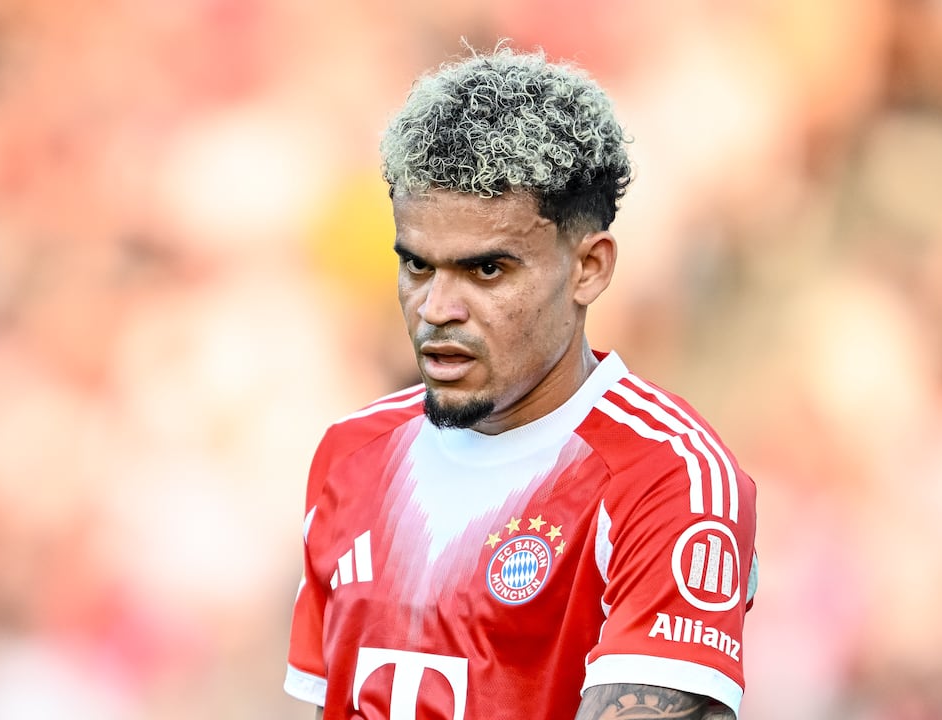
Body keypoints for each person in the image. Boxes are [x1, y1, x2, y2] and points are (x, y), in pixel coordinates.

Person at [284, 45, 758, 720]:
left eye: (486, 272)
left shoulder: (667, 479)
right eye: (418, 266)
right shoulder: (348, 455)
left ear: (589, 268)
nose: (436, 309)